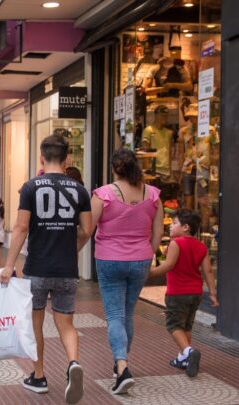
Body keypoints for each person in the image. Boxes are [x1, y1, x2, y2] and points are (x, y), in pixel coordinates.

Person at [0, 134, 93, 404]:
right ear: (68, 159)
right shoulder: (79, 190)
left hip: (37, 268)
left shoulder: (30, 187)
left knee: (36, 323)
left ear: (42, 157)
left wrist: (8, 266)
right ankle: (73, 363)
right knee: (65, 323)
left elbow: (20, 228)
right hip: (66, 269)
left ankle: (38, 376)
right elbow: (86, 230)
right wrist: (70, 249)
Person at [91, 148, 164, 395]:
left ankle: (122, 367)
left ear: (113, 168)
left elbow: (87, 228)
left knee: (114, 315)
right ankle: (120, 363)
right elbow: (158, 234)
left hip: (109, 259)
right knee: (127, 314)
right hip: (140, 259)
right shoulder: (153, 194)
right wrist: (146, 254)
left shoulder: (103, 195)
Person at [149, 209, 218, 378]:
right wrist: (213, 293)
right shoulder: (201, 246)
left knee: (173, 325)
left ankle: (189, 351)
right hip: (196, 292)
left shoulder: (176, 243)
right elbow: (208, 270)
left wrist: (149, 273)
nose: (170, 226)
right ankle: (183, 358)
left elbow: (168, 266)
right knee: (186, 325)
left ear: (185, 227)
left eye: (174, 223)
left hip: (177, 292)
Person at [142, 105, 174, 179]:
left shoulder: (168, 133)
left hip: (166, 171)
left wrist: (170, 171)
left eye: (166, 116)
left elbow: (169, 152)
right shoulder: (148, 130)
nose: (164, 118)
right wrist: (148, 171)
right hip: (154, 170)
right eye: (162, 115)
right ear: (156, 115)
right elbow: (145, 152)